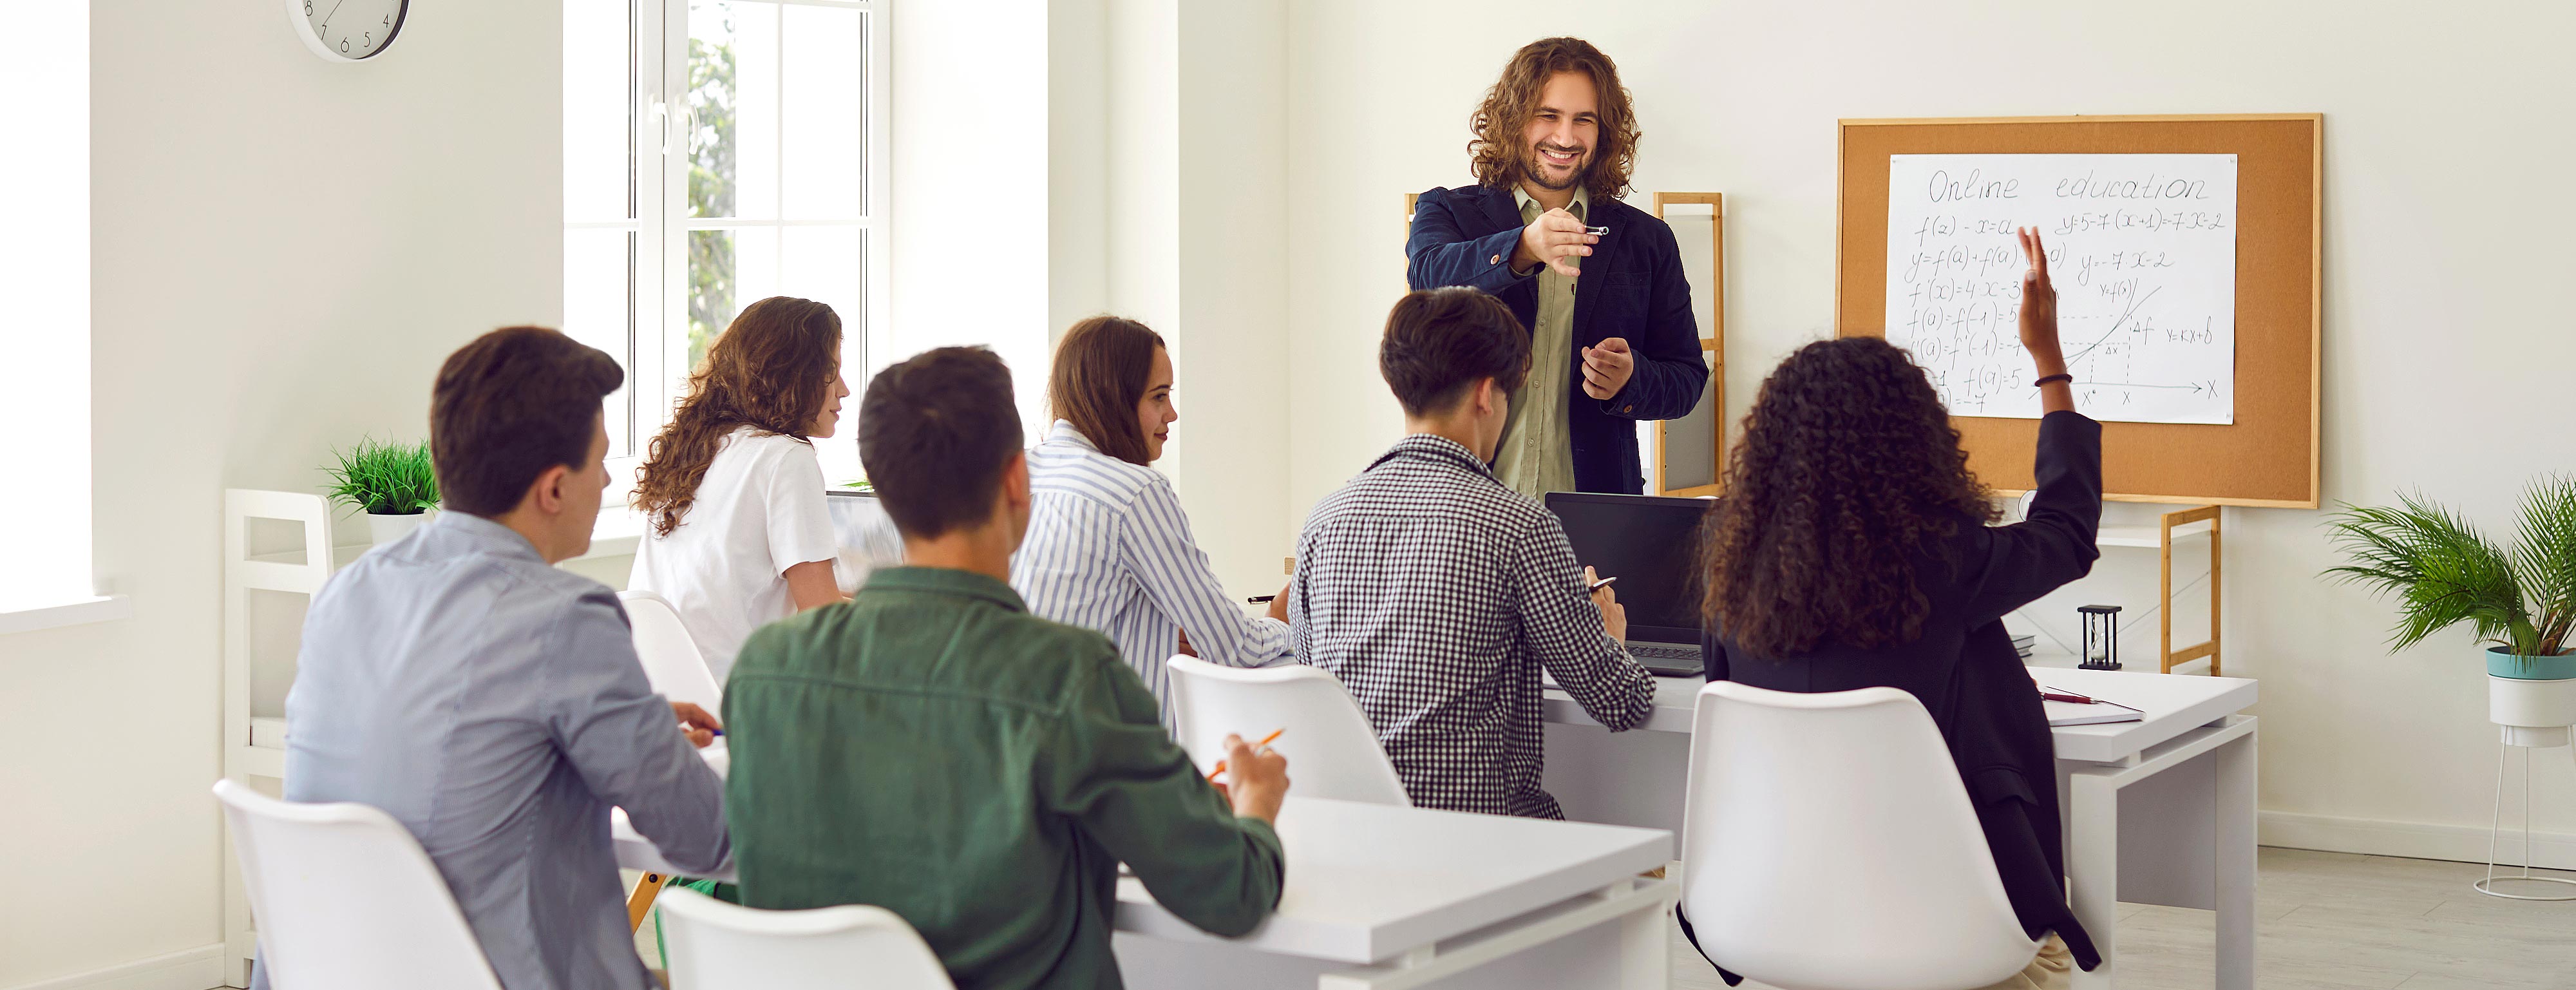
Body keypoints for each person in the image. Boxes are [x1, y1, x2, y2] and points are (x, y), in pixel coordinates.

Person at [722, 346, 1291, 990]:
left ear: (882, 492)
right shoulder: (1070, 677)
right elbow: (1232, 891)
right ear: (1017, 481)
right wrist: (1256, 804)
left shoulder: (763, 673)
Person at [256, 327, 729, 990]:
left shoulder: (348, 594)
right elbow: (705, 834)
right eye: (600, 459)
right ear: (554, 489)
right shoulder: (567, 619)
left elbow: (460, 750)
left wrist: (632, 729)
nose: (609, 477)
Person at [1689, 231, 2101, 987]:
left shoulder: (1734, 568)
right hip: (1946, 921)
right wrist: (2049, 364)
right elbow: (2066, 534)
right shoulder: (1944, 558)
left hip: (1776, 913)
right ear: (1914, 441)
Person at [1291, 287, 1654, 818]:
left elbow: (1312, 678)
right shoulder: (1520, 526)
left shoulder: (1324, 519)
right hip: (1484, 853)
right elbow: (1621, 702)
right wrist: (1610, 638)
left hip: (1355, 845)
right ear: (1487, 394)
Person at [1405, 36, 1707, 499]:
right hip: (1464, 510)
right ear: (1512, 120)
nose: (1565, 138)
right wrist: (1522, 247)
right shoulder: (1446, 210)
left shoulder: (1647, 239)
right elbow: (1427, 278)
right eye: (1548, 116)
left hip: (1595, 521)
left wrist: (1632, 380)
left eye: (1583, 120)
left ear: (1603, 131)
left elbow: (1687, 378)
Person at [1012, 316, 1294, 720]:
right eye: (1159, 397)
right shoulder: (1134, 492)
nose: (1173, 414)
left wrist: (1164, 631)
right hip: (1104, 764)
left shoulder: (1020, 474)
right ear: (1112, 400)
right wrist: (1284, 623)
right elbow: (1231, 646)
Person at [628, 296, 852, 681]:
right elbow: (823, 621)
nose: (844, 390)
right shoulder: (786, 458)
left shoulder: (692, 449)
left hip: (663, 695)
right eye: (831, 373)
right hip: (738, 701)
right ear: (792, 374)